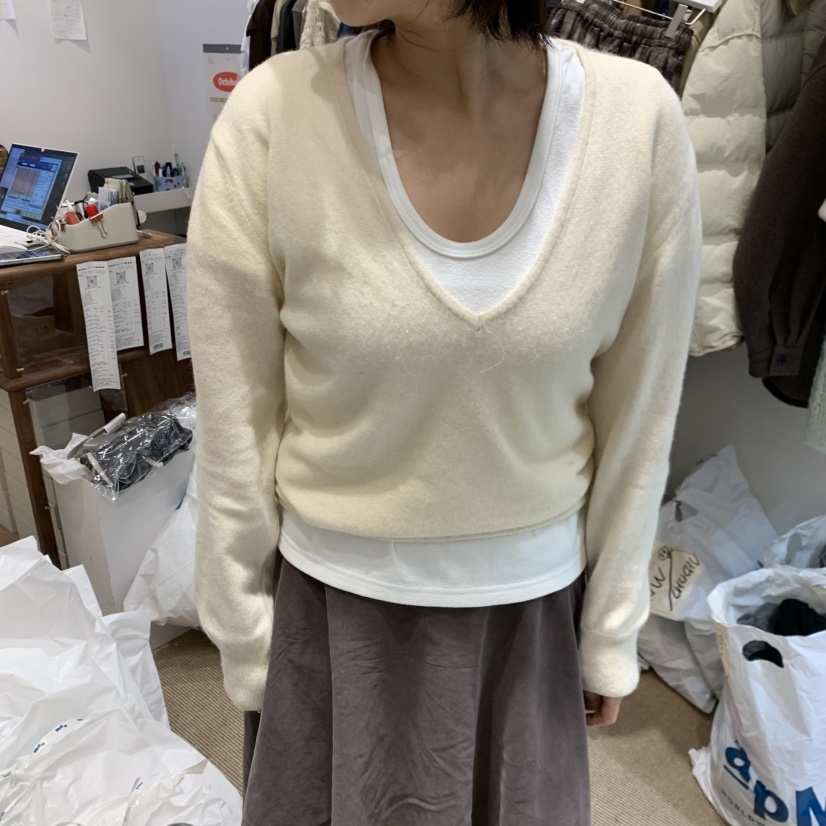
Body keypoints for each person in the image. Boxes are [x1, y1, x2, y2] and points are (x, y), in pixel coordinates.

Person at [187, 0, 701, 822]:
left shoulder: (635, 123)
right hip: (332, 622)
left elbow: (641, 413)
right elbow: (234, 423)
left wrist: (610, 627)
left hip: (527, 627)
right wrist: (246, 637)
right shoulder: (275, 115)